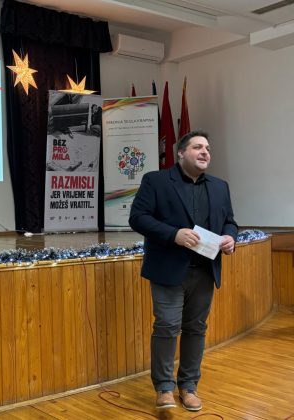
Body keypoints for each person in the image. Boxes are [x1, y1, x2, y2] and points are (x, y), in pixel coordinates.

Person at [129, 130, 237, 412]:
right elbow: (138, 218)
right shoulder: (156, 180)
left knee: (196, 328)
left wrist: (230, 237)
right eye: (198, 147)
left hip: (204, 270)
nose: (205, 152)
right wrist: (173, 234)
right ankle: (164, 388)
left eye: (208, 148)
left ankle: (188, 386)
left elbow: (229, 221)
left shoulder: (220, 186)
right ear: (180, 153)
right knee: (166, 326)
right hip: (168, 268)